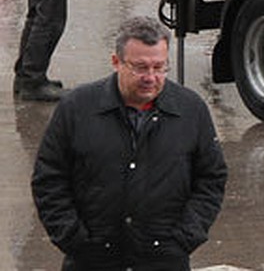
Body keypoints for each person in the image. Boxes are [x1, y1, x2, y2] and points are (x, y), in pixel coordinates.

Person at [31, 16, 227, 271]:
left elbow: (211, 178)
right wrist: (74, 239)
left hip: (164, 261)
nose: (150, 77)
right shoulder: (76, 108)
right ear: (116, 62)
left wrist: (185, 238)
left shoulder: (191, 110)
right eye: (140, 67)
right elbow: (49, 179)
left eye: (159, 67)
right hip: (92, 260)